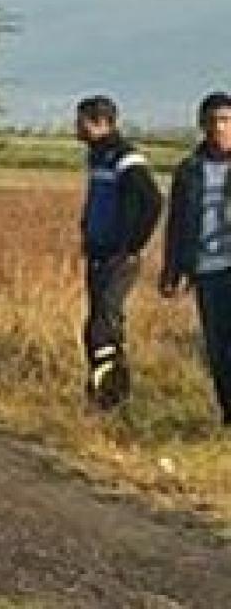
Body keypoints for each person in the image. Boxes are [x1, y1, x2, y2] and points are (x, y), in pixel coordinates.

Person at [73, 95, 163, 410]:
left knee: (103, 327)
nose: (76, 128)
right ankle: (111, 395)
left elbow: (152, 201)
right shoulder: (97, 156)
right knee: (98, 324)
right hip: (98, 252)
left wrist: (132, 246)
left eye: (81, 121)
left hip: (117, 257)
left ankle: (108, 399)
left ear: (101, 123)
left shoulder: (125, 157)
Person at [162, 92, 231, 423]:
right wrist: (171, 269)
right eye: (214, 120)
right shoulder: (189, 170)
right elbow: (176, 221)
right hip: (206, 268)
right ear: (202, 125)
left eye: (226, 120)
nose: (220, 127)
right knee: (217, 348)